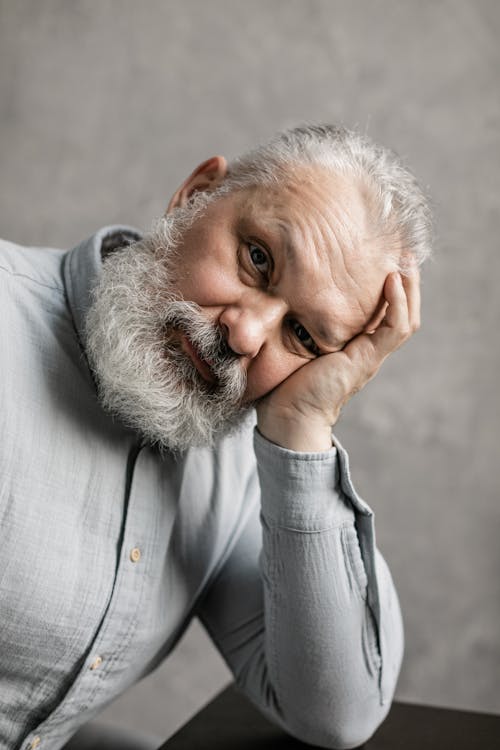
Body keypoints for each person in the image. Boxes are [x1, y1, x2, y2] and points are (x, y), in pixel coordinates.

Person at [0, 125, 431, 750]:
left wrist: (304, 426)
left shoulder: (237, 464)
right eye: (257, 259)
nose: (246, 335)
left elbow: (337, 711)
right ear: (195, 194)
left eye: (305, 338)